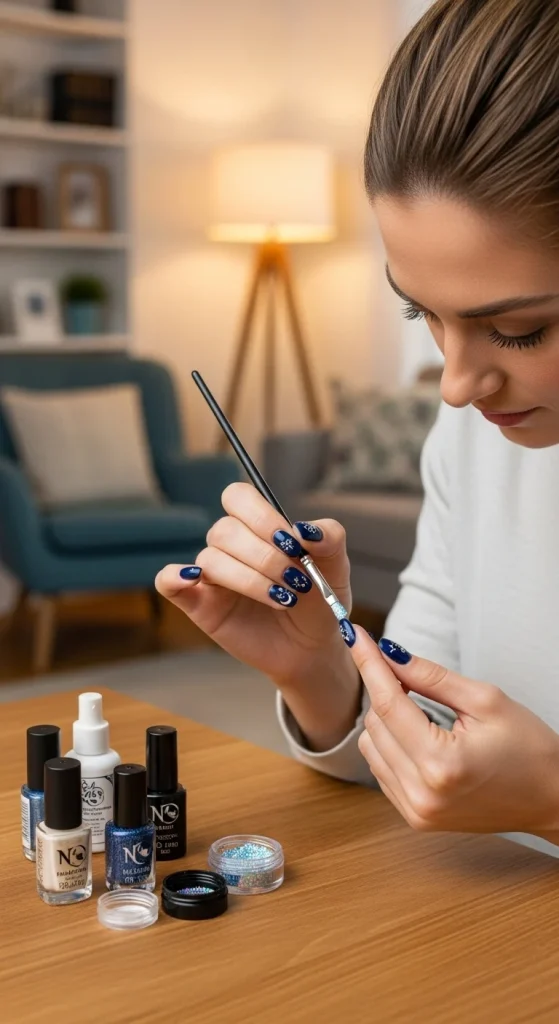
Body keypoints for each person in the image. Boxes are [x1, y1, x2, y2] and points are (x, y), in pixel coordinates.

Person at [156, 0, 559, 856]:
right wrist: (320, 673)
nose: (455, 387)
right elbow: (424, 748)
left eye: (520, 329)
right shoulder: (474, 436)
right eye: (422, 314)